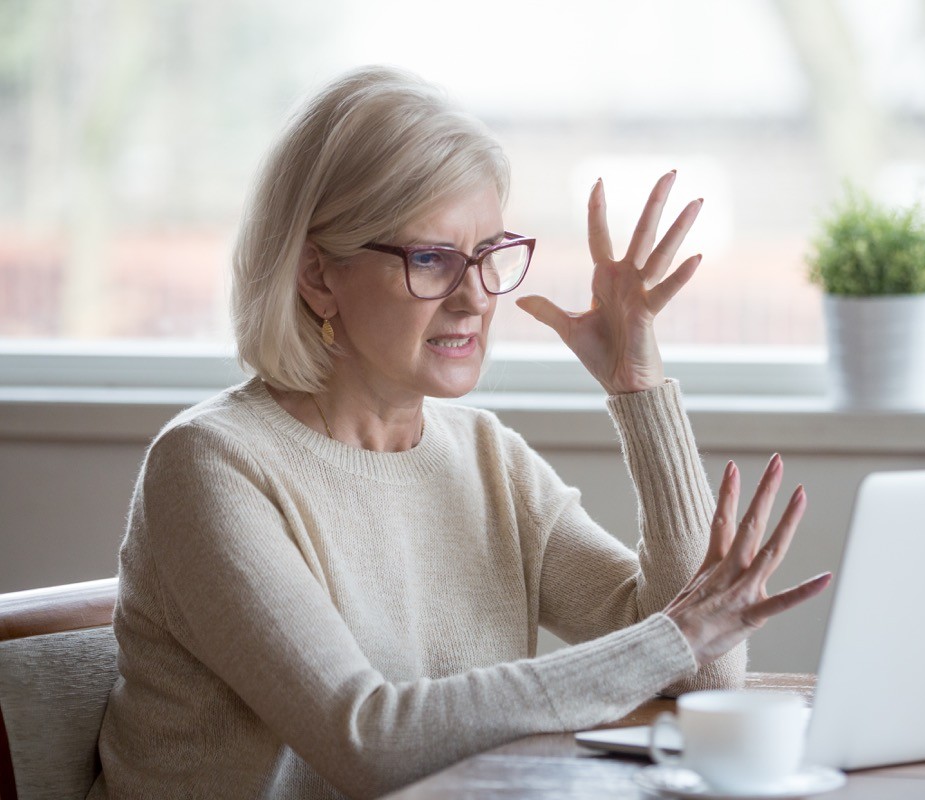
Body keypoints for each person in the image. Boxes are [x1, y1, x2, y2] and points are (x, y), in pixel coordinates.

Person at [88, 65, 831, 800]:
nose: (475, 298)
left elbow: (696, 674)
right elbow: (368, 742)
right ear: (318, 274)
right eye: (433, 259)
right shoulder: (209, 465)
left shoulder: (486, 457)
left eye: (487, 256)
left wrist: (637, 387)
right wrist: (676, 635)